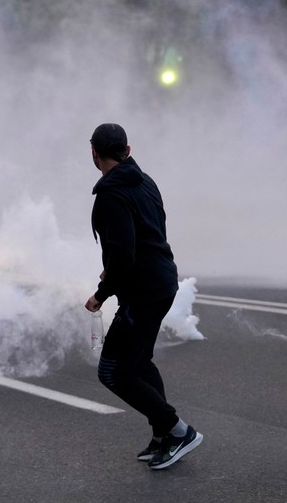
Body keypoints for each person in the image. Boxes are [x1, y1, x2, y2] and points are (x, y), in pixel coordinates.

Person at [84, 124, 202, 470]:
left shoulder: (111, 195)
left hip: (144, 292)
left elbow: (124, 254)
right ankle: (163, 435)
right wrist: (117, 269)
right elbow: (150, 232)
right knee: (139, 362)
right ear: (128, 150)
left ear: (94, 153)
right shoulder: (145, 181)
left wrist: (101, 294)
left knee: (113, 372)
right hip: (161, 281)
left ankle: (179, 431)